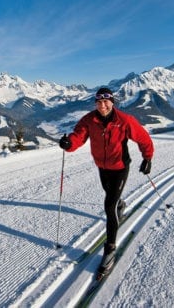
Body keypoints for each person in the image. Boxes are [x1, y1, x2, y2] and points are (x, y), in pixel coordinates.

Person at [59, 87, 154, 272]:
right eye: (99, 102)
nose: (102, 105)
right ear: (96, 103)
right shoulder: (89, 120)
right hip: (102, 167)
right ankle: (120, 205)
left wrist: (147, 158)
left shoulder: (124, 120)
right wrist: (69, 143)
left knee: (108, 206)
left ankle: (110, 248)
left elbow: (143, 138)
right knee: (111, 197)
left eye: (106, 102)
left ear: (112, 102)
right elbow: (78, 136)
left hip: (120, 167)